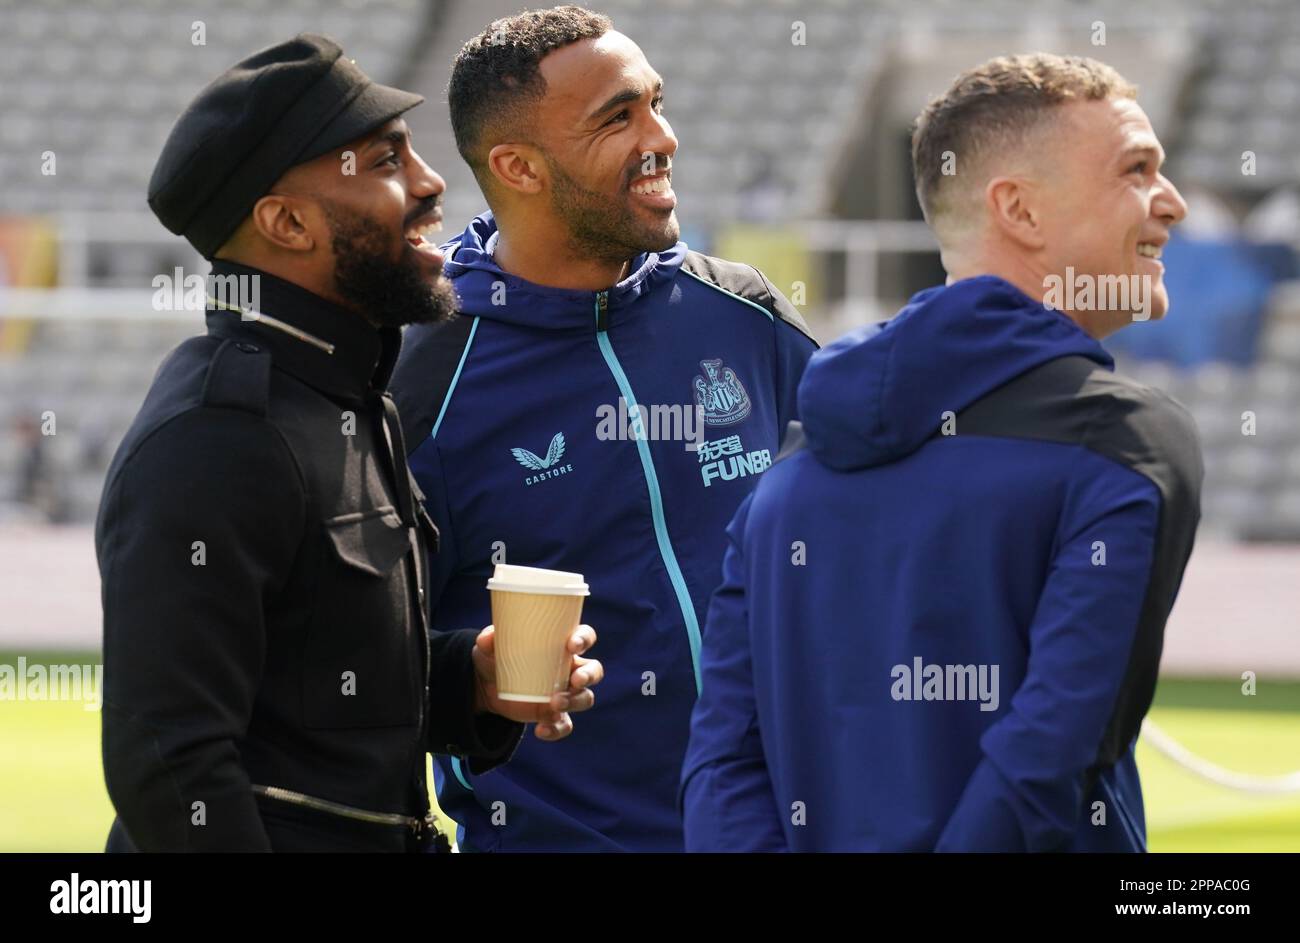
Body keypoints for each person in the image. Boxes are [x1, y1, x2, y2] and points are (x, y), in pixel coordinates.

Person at [681, 53, 1202, 852]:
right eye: (1137, 170)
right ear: (1020, 211)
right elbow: (1048, 761)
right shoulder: (1127, 444)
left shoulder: (788, 472)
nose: (1174, 202)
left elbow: (719, 766)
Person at [97, 33, 602, 853]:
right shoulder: (217, 432)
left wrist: (467, 682)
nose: (432, 180)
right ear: (287, 222)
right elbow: (172, 764)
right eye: (384, 161)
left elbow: (318, 698)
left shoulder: (348, 394)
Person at [389, 6, 817, 852]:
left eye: (657, 103)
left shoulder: (745, 309)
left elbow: (867, 515)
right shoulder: (424, 381)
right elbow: (371, 661)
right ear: (518, 166)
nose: (662, 137)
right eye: (618, 116)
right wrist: (476, 675)